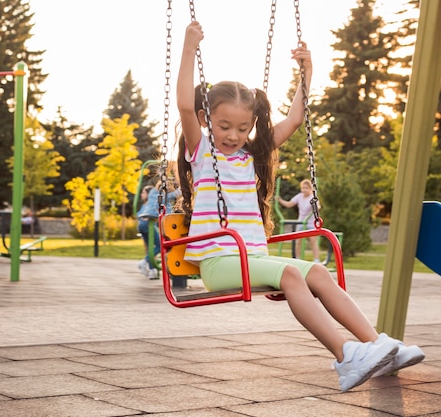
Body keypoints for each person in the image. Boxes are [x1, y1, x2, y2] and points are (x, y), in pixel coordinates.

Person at [175, 21, 424, 392]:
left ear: (252, 127)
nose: (233, 135)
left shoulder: (253, 155)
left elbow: (294, 119)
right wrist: (189, 47)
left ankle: (377, 347)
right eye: (224, 125)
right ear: (206, 120)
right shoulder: (202, 152)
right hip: (219, 261)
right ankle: (346, 357)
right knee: (293, 275)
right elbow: (183, 102)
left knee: (319, 273)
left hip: (250, 258)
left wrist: (307, 73)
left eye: (242, 128)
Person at [278, 179, 321, 262]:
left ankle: (316, 259)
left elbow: (318, 207)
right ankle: (297, 259)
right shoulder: (300, 196)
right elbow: (289, 204)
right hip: (301, 221)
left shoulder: (313, 197)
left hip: (311, 221)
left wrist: (316, 207)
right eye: (303, 188)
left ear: (310, 189)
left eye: (306, 188)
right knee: (298, 241)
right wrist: (279, 200)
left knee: (313, 241)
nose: (304, 190)